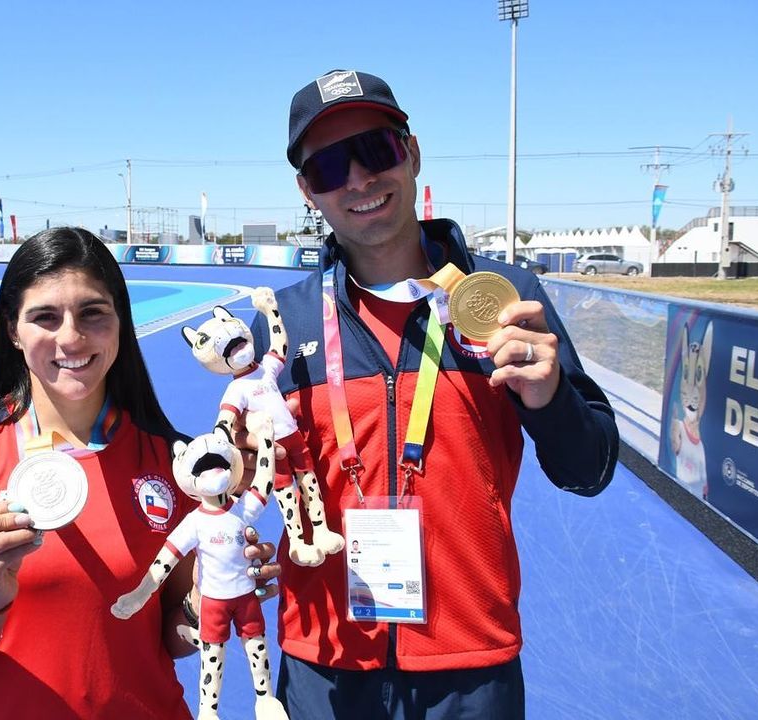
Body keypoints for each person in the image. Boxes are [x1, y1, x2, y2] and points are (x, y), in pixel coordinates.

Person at [244, 70, 619, 719]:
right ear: (309, 190)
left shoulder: (503, 297)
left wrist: (550, 395)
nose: (359, 179)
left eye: (377, 150)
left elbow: (589, 470)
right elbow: (255, 477)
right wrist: (242, 535)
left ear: (411, 153)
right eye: (331, 165)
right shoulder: (284, 322)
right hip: (324, 662)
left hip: (469, 668)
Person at [0, 227, 278, 719]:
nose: (71, 337)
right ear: (13, 329)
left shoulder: (178, 461)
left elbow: (171, 637)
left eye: (93, 313)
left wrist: (206, 600)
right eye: (44, 317)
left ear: (120, 323)